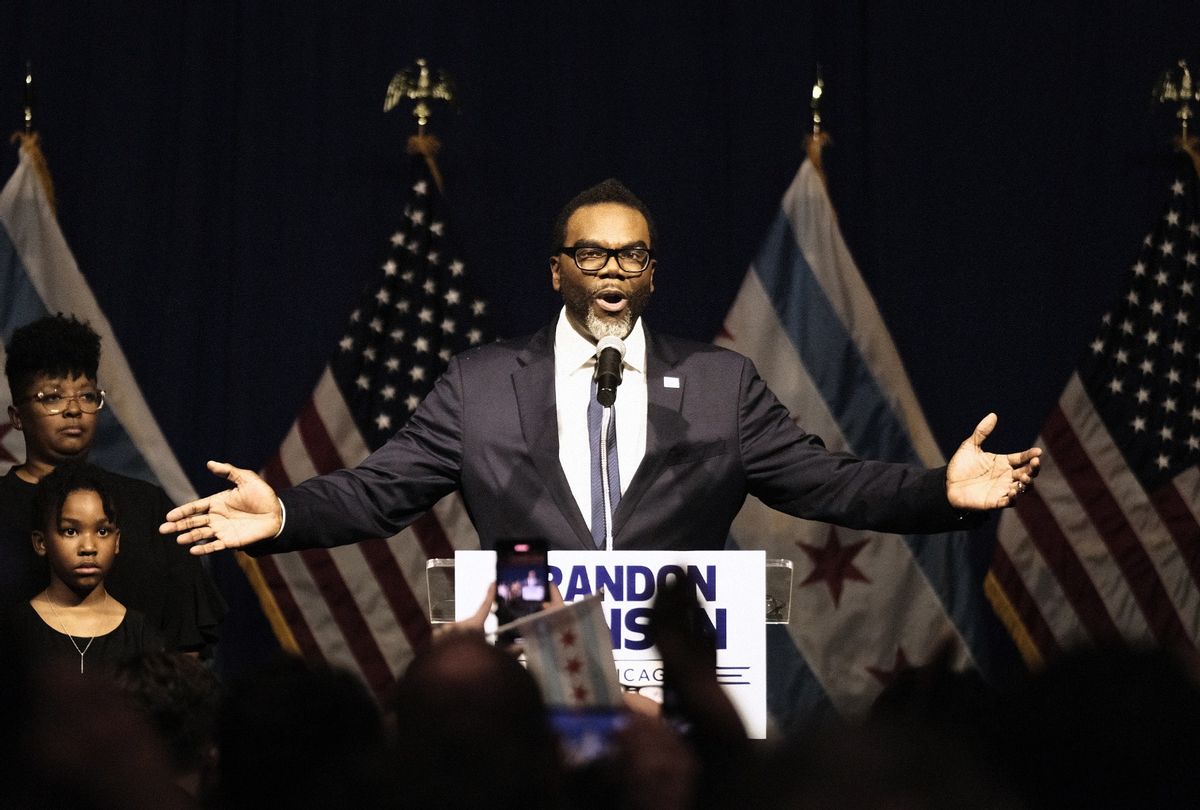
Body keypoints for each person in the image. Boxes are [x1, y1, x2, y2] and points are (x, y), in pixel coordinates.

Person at [161, 179, 1040, 558]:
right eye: (593, 255)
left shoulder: (719, 385)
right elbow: (377, 490)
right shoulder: (478, 383)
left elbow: (826, 484)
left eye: (632, 258)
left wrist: (939, 492)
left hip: (682, 674)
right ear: (559, 269)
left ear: (652, 272)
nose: (613, 272)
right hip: (531, 668)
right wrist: (282, 512)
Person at [1, 314, 225, 655]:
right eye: (53, 397)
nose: (74, 410)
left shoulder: (151, 509)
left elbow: (186, 650)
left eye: (88, 396)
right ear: (17, 416)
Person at [5, 461, 163, 674]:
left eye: (102, 531)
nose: (88, 547)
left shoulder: (140, 634)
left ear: (117, 541)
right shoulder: (14, 632)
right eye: (70, 531)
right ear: (41, 543)